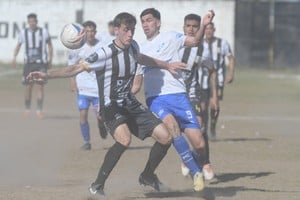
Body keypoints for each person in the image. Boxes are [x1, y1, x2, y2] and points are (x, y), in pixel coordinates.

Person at [27, 12, 186, 197]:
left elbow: (142, 59)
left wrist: (166, 65)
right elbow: (75, 68)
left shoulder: (133, 46)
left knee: (166, 137)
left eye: (132, 30)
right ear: (116, 30)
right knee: (125, 140)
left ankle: (147, 175)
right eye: (126, 30)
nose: (130, 35)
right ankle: (97, 185)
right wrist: (47, 74)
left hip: (129, 103)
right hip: (110, 107)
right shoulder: (104, 53)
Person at [132, 8, 215, 190]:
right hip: (156, 99)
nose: (146, 24)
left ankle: (193, 164)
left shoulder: (170, 37)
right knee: (173, 128)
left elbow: (195, 41)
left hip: (179, 96)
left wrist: (204, 25)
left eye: (149, 20)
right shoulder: (139, 50)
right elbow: (137, 84)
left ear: (158, 22)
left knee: (199, 144)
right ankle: (196, 173)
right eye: (143, 21)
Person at [178, 14, 218, 180]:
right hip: (174, 95)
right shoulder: (175, 44)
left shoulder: (202, 49)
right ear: (184, 27)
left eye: (195, 26)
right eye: (188, 26)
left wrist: (214, 96)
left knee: (199, 129)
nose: (192, 29)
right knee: (175, 132)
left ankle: (202, 162)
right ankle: (187, 158)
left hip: (193, 94)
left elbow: (212, 69)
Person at [68, 20, 108, 150]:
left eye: (92, 31)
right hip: (83, 88)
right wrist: (72, 81)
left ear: (95, 32)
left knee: (100, 116)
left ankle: (101, 125)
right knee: (83, 114)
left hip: (97, 89)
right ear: (83, 32)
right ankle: (87, 142)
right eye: (87, 31)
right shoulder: (78, 47)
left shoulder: (102, 46)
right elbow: (71, 66)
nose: (90, 34)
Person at [12, 13, 53, 119]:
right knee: (28, 86)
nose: (32, 23)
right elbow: (18, 45)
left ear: (36, 22)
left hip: (41, 63)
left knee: (40, 86)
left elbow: (50, 46)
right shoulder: (23, 33)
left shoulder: (44, 32)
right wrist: (14, 57)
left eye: (33, 21)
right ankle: (27, 109)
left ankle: (39, 110)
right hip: (28, 64)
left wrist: (50, 59)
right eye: (30, 21)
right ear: (28, 22)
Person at [203, 22, 235, 140]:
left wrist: (231, 74)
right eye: (206, 29)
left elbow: (231, 58)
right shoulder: (199, 43)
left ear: (214, 30)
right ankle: (204, 128)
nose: (208, 31)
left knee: (214, 105)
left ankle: (212, 127)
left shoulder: (222, 43)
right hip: (202, 81)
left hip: (218, 81)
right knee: (203, 106)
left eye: (210, 29)